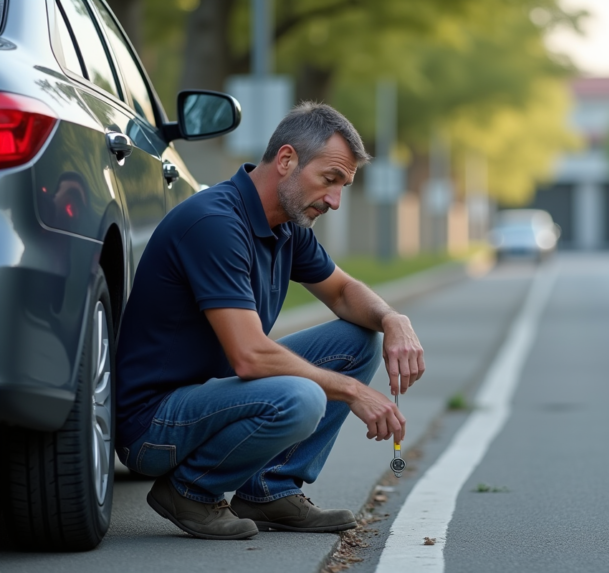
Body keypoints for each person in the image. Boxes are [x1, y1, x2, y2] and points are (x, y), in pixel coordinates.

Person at [115, 103, 425, 540]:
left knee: (358, 338)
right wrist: (353, 391)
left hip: (211, 397)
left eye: (344, 187)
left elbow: (341, 292)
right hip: (154, 424)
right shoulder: (216, 223)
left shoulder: (286, 225)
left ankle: (270, 489)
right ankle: (189, 491)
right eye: (329, 180)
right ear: (286, 160)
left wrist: (394, 318)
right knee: (300, 397)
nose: (335, 201)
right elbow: (250, 357)